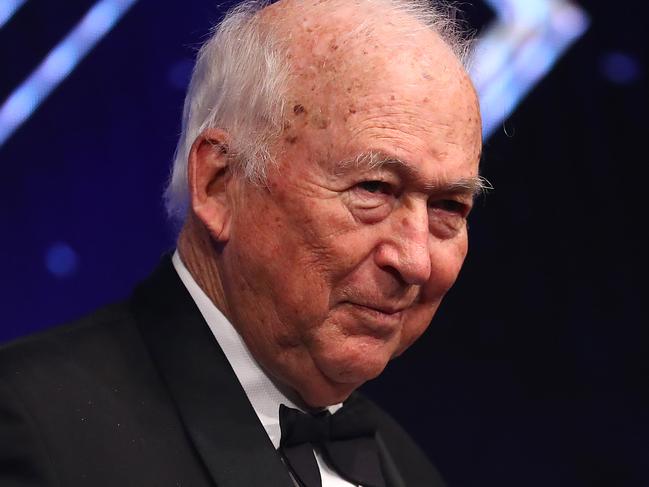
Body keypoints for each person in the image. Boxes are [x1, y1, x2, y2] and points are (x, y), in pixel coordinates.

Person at [0, 0, 483, 485]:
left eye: (448, 207)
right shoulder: (29, 423)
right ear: (218, 184)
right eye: (374, 189)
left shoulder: (409, 468)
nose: (416, 262)